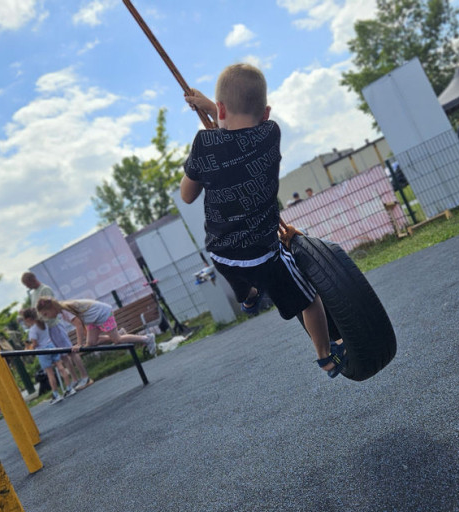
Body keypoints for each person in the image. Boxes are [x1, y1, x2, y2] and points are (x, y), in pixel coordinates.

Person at [180, 63, 346, 377]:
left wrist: (209, 124)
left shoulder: (203, 145)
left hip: (220, 253)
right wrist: (213, 111)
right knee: (309, 299)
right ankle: (326, 356)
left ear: (221, 108)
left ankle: (248, 298)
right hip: (263, 255)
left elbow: (187, 195)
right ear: (266, 113)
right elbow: (237, 139)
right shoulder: (271, 134)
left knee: (241, 278)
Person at [21, 272, 92, 389]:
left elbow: (49, 308)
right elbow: (36, 311)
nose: (27, 287)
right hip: (46, 328)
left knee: (70, 351)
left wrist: (39, 317)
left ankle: (85, 376)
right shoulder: (33, 294)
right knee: (63, 356)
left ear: (32, 280)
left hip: (54, 325)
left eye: (27, 284)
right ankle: (75, 379)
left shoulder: (45, 289)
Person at [35, 297, 157, 357]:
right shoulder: (63, 312)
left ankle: (147, 338)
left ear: (51, 308)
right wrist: (84, 340)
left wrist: (78, 343)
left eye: (46, 314)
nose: (47, 317)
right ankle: (121, 333)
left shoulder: (65, 310)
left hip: (102, 314)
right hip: (93, 319)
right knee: (92, 342)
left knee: (117, 340)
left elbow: (77, 325)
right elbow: (81, 324)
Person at [21, 308, 75, 404]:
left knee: (50, 373)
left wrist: (29, 348)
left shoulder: (33, 330)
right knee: (61, 367)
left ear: (28, 319)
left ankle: (55, 394)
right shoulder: (43, 323)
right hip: (51, 346)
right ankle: (69, 388)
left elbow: (35, 344)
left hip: (42, 351)